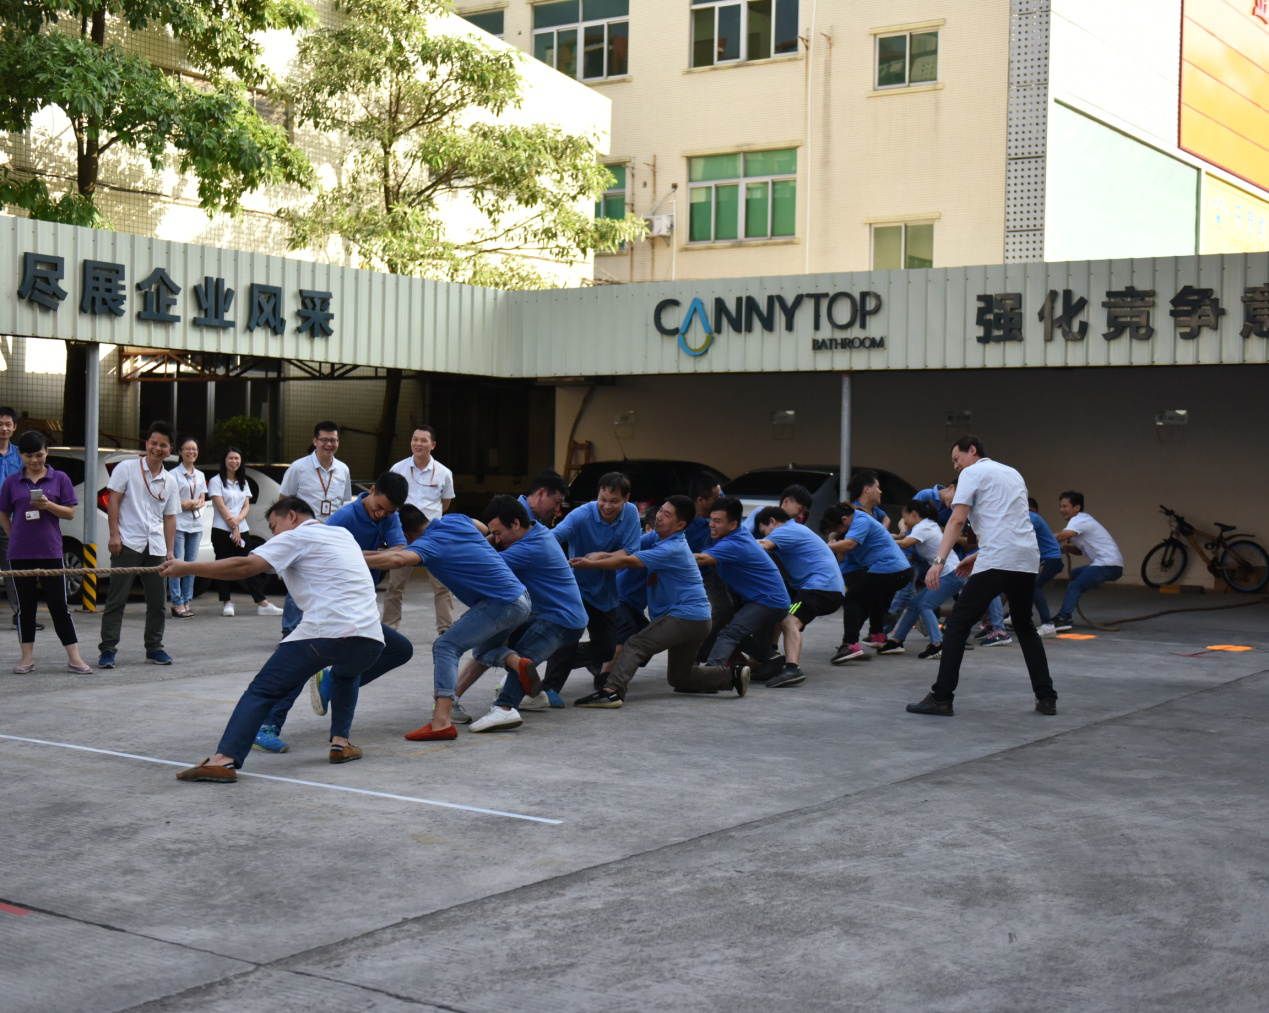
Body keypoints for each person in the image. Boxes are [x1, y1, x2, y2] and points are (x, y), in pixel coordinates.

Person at [166, 497, 413, 782]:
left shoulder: (295, 536)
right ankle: (341, 743)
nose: (274, 536)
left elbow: (245, 567)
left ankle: (224, 760)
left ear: (292, 516)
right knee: (347, 675)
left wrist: (188, 567)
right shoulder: (343, 535)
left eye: (274, 527)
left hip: (325, 632)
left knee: (262, 691)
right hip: (371, 638)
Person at [252, 472, 411, 754]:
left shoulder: (390, 516)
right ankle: (268, 725)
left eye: (389, 512)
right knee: (299, 667)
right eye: (379, 508)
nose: (382, 515)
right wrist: (374, 555)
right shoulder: (343, 518)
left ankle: (332, 691)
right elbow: (317, 557)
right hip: (323, 608)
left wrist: (365, 555)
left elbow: (400, 553)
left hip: (357, 610)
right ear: (371, 490)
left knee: (398, 650)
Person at [906, 437, 1056, 717]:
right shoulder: (1013, 473)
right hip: (1025, 560)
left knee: (958, 624)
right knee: (1025, 626)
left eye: (956, 458)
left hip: (997, 560)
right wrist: (975, 556)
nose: (955, 465)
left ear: (972, 450)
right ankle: (1046, 697)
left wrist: (938, 562)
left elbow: (956, 520)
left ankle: (941, 697)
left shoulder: (972, 473)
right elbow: (1011, 524)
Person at [364, 512, 531, 741]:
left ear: (405, 534)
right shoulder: (457, 520)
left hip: (501, 604)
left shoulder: (428, 544)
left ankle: (441, 722)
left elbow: (397, 559)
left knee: (446, 646)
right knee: (482, 652)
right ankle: (516, 662)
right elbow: (483, 528)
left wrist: (350, 557)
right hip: (521, 598)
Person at [570, 495, 723, 707]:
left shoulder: (672, 548)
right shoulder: (658, 538)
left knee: (636, 643)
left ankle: (612, 691)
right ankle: (731, 676)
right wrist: (601, 555)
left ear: (680, 525)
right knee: (680, 678)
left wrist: (589, 564)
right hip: (698, 619)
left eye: (666, 515)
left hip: (685, 616)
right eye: (660, 510)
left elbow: (629, 561)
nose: (659, 517)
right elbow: (629, 549)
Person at [462, 496, 589, 732]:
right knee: (495, 645)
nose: (496, 539)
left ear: (516, 523)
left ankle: (505, 708)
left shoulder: (527, 549)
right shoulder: (536, 531)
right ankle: (534, 696)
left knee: (523, 658)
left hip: (561, 619)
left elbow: (481, 565)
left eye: (498, 533)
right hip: (546, 614)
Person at [540, 471, 641, 699]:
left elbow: (631, 553)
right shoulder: (581, 515)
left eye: (614, 501)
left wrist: (598, 558)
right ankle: (549, 690)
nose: (606, 506)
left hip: (605, 592)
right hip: (575, 588)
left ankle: (547, 654)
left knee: (606, 649)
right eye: (602, 499)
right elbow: (552, 538)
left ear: (626, 499)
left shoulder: (631, 512)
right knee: (568, 639)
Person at [0, 430, 92, 673]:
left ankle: (75, 658)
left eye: (39, 455)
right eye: (28, 455)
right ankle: (26, 658)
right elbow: (3, 512)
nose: (34, 460)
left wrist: (49, 505)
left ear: (46, 452)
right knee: (26, 607)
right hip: (19, 554)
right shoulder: (12, 482)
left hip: (51, 551)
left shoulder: (59, 478)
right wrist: (14, 536)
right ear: (21, 455)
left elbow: (70, 512)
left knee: (59, 606)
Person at [97, 421, 180, 669]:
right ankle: (108, 649)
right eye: (153, 443)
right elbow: (113, 501)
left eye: (163, 445)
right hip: (127, 542)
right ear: (146, 443)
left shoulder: (170, 480)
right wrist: (114, 535)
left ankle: (154, 648)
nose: (157, 448)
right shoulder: (127, 468)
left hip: (156, 547)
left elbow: (170, 517)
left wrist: (170, 551)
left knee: (158, 602)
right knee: (116, 599)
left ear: (170, 449)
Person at [691, 495, 789, 686]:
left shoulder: (734, 543)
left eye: (717, 521)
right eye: (711, 519)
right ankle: (771, 658)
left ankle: (711, 676)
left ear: (733, 524)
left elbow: (701, 559)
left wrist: (663, 556)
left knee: (729, 634)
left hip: (768, 601)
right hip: (762, 600)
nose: (711, 525)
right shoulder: (736, 533)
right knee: (734, 631)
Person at [754, 506, 845, 688]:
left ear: (772, 522)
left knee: (789, 621)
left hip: (819, 588)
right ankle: (773, 659)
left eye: (764, 531)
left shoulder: (785, 530)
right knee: (779, 616)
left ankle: (792, 668)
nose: (766, 536)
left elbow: (762, 546)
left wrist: (727, 547)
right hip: (825, 588)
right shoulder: (796, 530)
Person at [278, 421, 353, 636]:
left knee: (330, 583)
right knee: (300, 582)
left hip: (332, 535)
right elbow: (283, 501)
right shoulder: (298, 468)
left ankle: (324, 630)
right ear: (315, 441)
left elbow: (345, 503)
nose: (329, 444)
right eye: (324, 440)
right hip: (304, 534)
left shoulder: (343, 469)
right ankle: (290, 632)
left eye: (333, 440)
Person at [383, 425, 456, 633]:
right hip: (402, 534)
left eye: (424, 440)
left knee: (442, 585)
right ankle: (389, 628)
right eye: (415, 439)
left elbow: (445, 504)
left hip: (433, 535)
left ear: (433, 445)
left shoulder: (444, 473)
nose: (418, 444)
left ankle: (446, 629)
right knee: (395, 585)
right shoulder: (398, 469)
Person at [823, 502, 913, 664]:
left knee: (852, 599)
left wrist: (826, 547)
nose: (840, 532)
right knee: (868, 599)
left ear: (844, 519)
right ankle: (877, 635)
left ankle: (850, 644)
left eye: (839, 528)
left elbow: (849, 544)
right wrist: (833, 538)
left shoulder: (860, 520)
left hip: (891, 569)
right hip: (895, 571)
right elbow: (844, 553)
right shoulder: (855, 523)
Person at [875, 500, 966, 660]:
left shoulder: (923, 527)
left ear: (914, 514)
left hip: (951, 574)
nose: (904, 522)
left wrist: (879, 540)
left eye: (905, 518)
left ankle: (937, 644)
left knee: (925, 605)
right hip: (947, 573)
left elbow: (905, 544)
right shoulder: (928, 525)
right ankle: (896, 641)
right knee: (915, 604)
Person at [207, 447, 284, 618]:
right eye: (231, 458)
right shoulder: (216, 481)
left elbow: (246, 506)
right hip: (222, 529)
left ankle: (262, 603)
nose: (234, 461)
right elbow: (220, 506)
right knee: (224, 566)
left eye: (237, 458)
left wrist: (237, 522)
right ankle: (227, 602)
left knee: (251, 564)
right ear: (224, 460)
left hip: (242, 529)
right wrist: (234, 526)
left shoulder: (244, 482)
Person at [1051, 491, 1124, 631]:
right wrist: (1068, 549)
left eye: (1065, 506)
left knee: (1075, 586)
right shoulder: (1081, 522)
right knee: (1074, 575)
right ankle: (1067, 613)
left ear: (1077, 507)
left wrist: (1040, 540)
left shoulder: (1079, 520)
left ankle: (1063, 618)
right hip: (1110, 564)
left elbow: (1060, 536)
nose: (1061, 510)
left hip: (1107, 564)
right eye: (1060, 506)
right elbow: (1081, 550)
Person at [166, 435, 207, 619]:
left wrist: (195, 503)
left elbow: (202, 498)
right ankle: (177, 602)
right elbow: (172, 501)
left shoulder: (200, 475)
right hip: (179, 524)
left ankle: (187, 600)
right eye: (188, 449)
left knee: (192, 565)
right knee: (178, 563)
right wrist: (187, 503)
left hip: (196, 525)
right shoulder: (173, 474)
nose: (192, 452)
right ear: (180, 452)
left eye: (194, 449)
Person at [0, 406, 32, 631]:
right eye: (0, 424)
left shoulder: (21, 455)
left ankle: (20, 615)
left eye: (7, 424)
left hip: (10, 520)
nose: (3, 428)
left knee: (13, 568)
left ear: (14, 427)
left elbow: (29, 483)